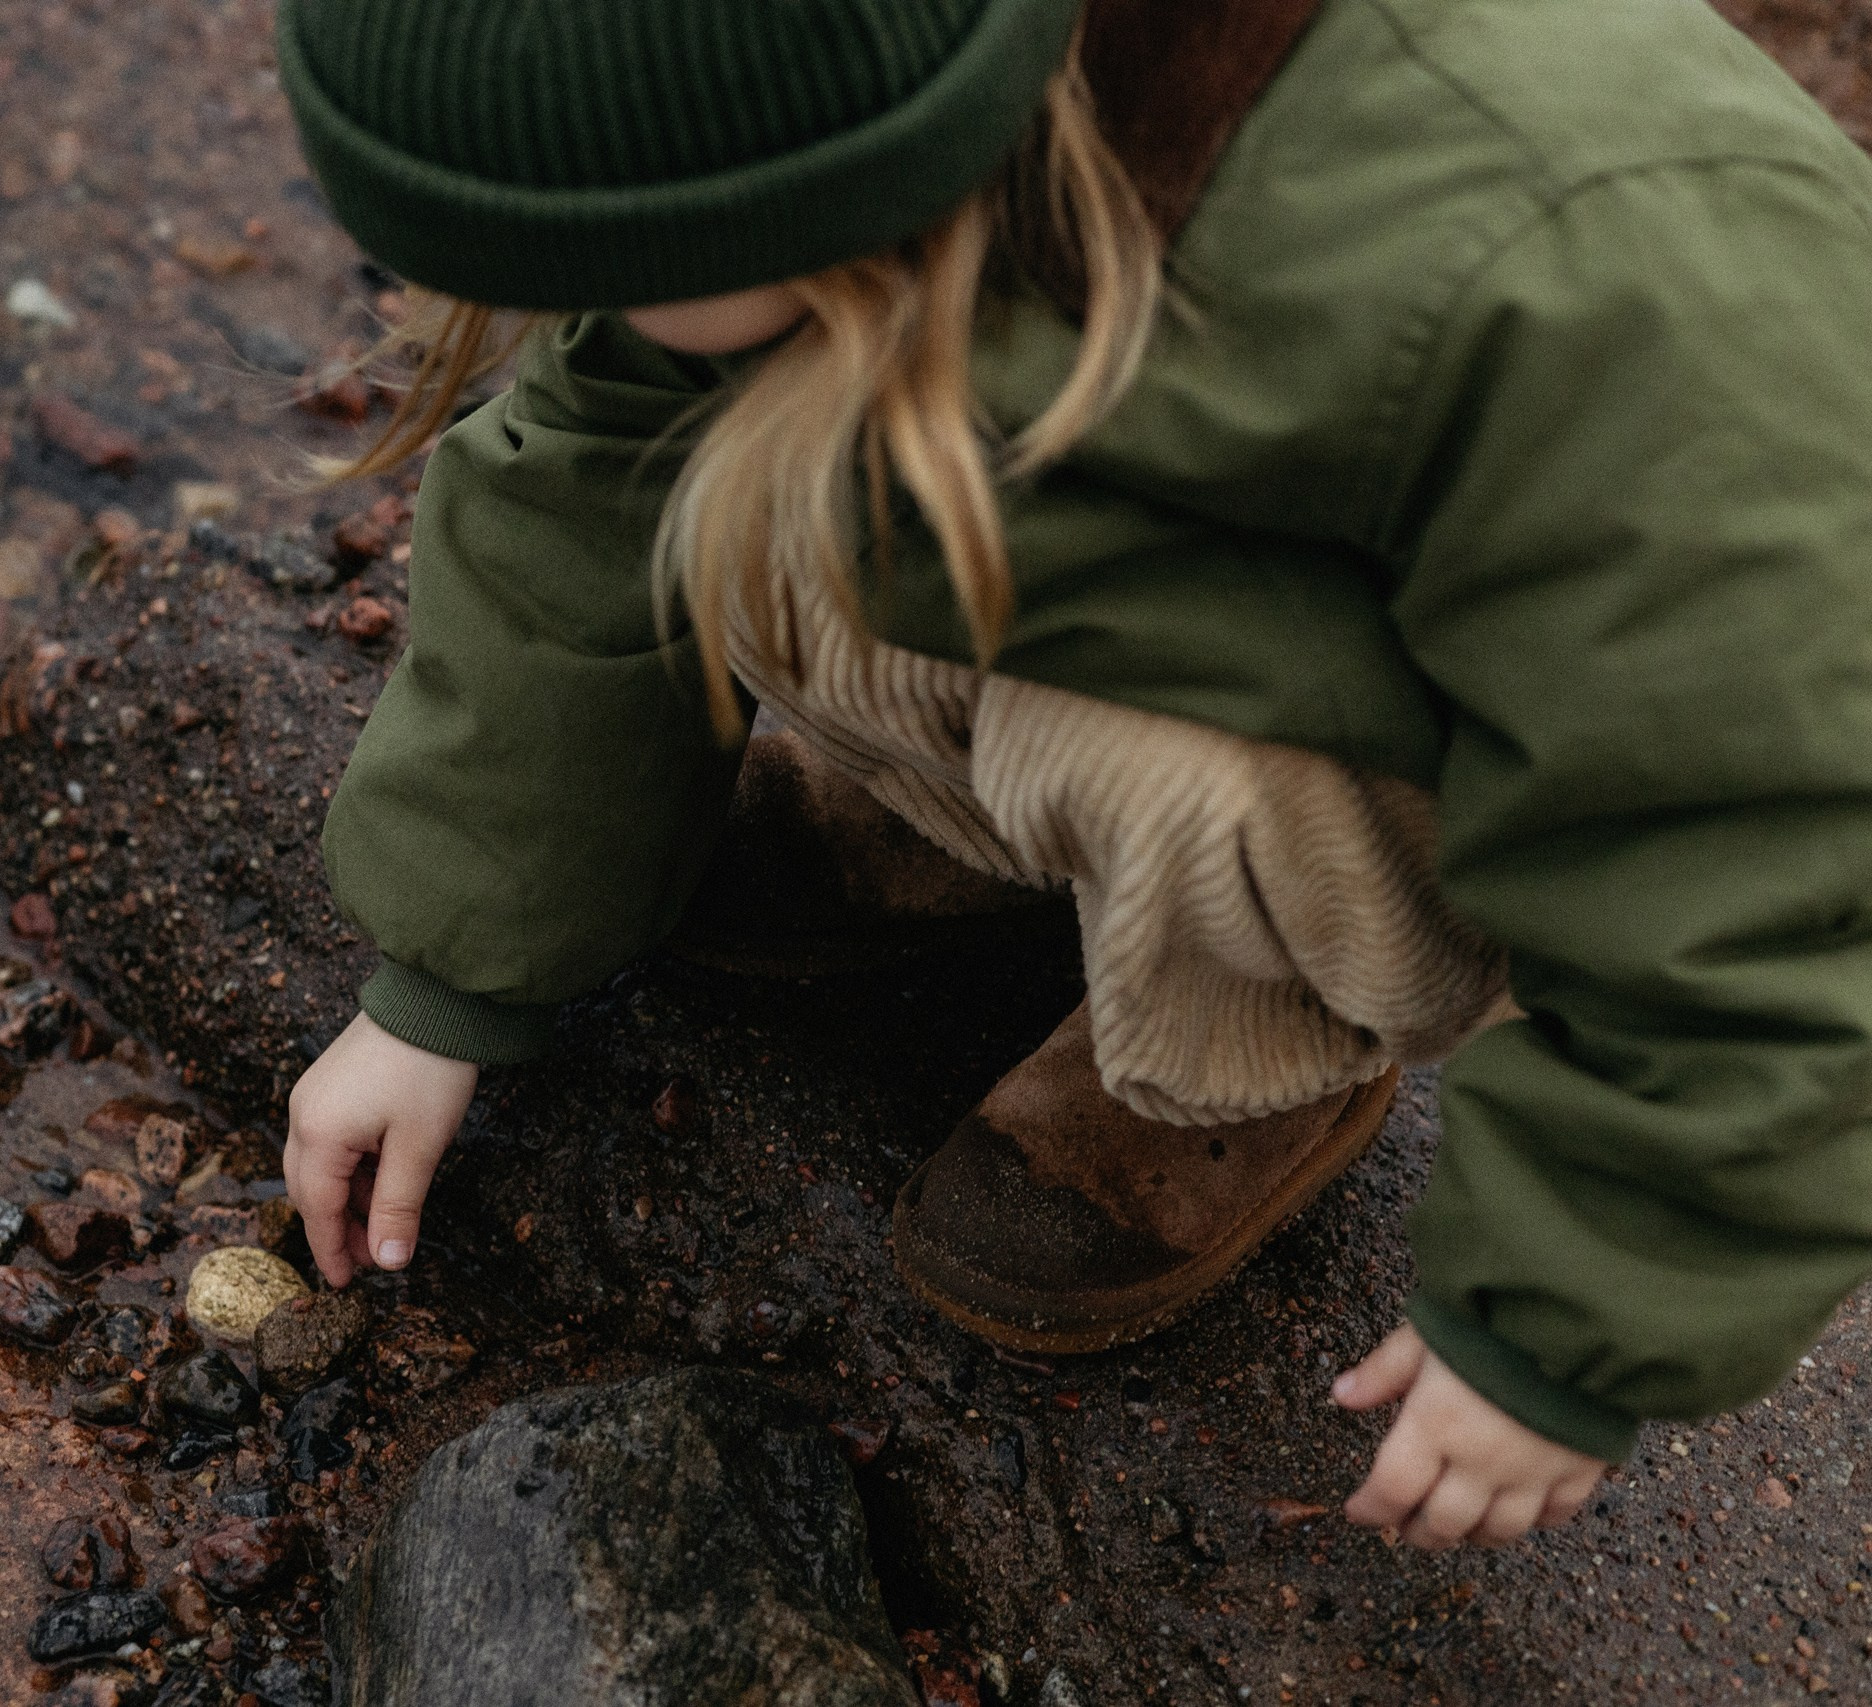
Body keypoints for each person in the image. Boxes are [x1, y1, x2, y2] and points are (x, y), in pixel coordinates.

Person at [273, 0, 1872, 1551]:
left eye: (599, 263)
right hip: (1199, 515)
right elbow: (590, 468)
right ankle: (976, 830)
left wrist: (1565, 1327)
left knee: (1148, 750)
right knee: (731, 450)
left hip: (1544, 771)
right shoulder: (857, 108)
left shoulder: (1555, 256)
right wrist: (444, 983)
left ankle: (1241, 1038)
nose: (558, 305)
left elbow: (1763, 840)